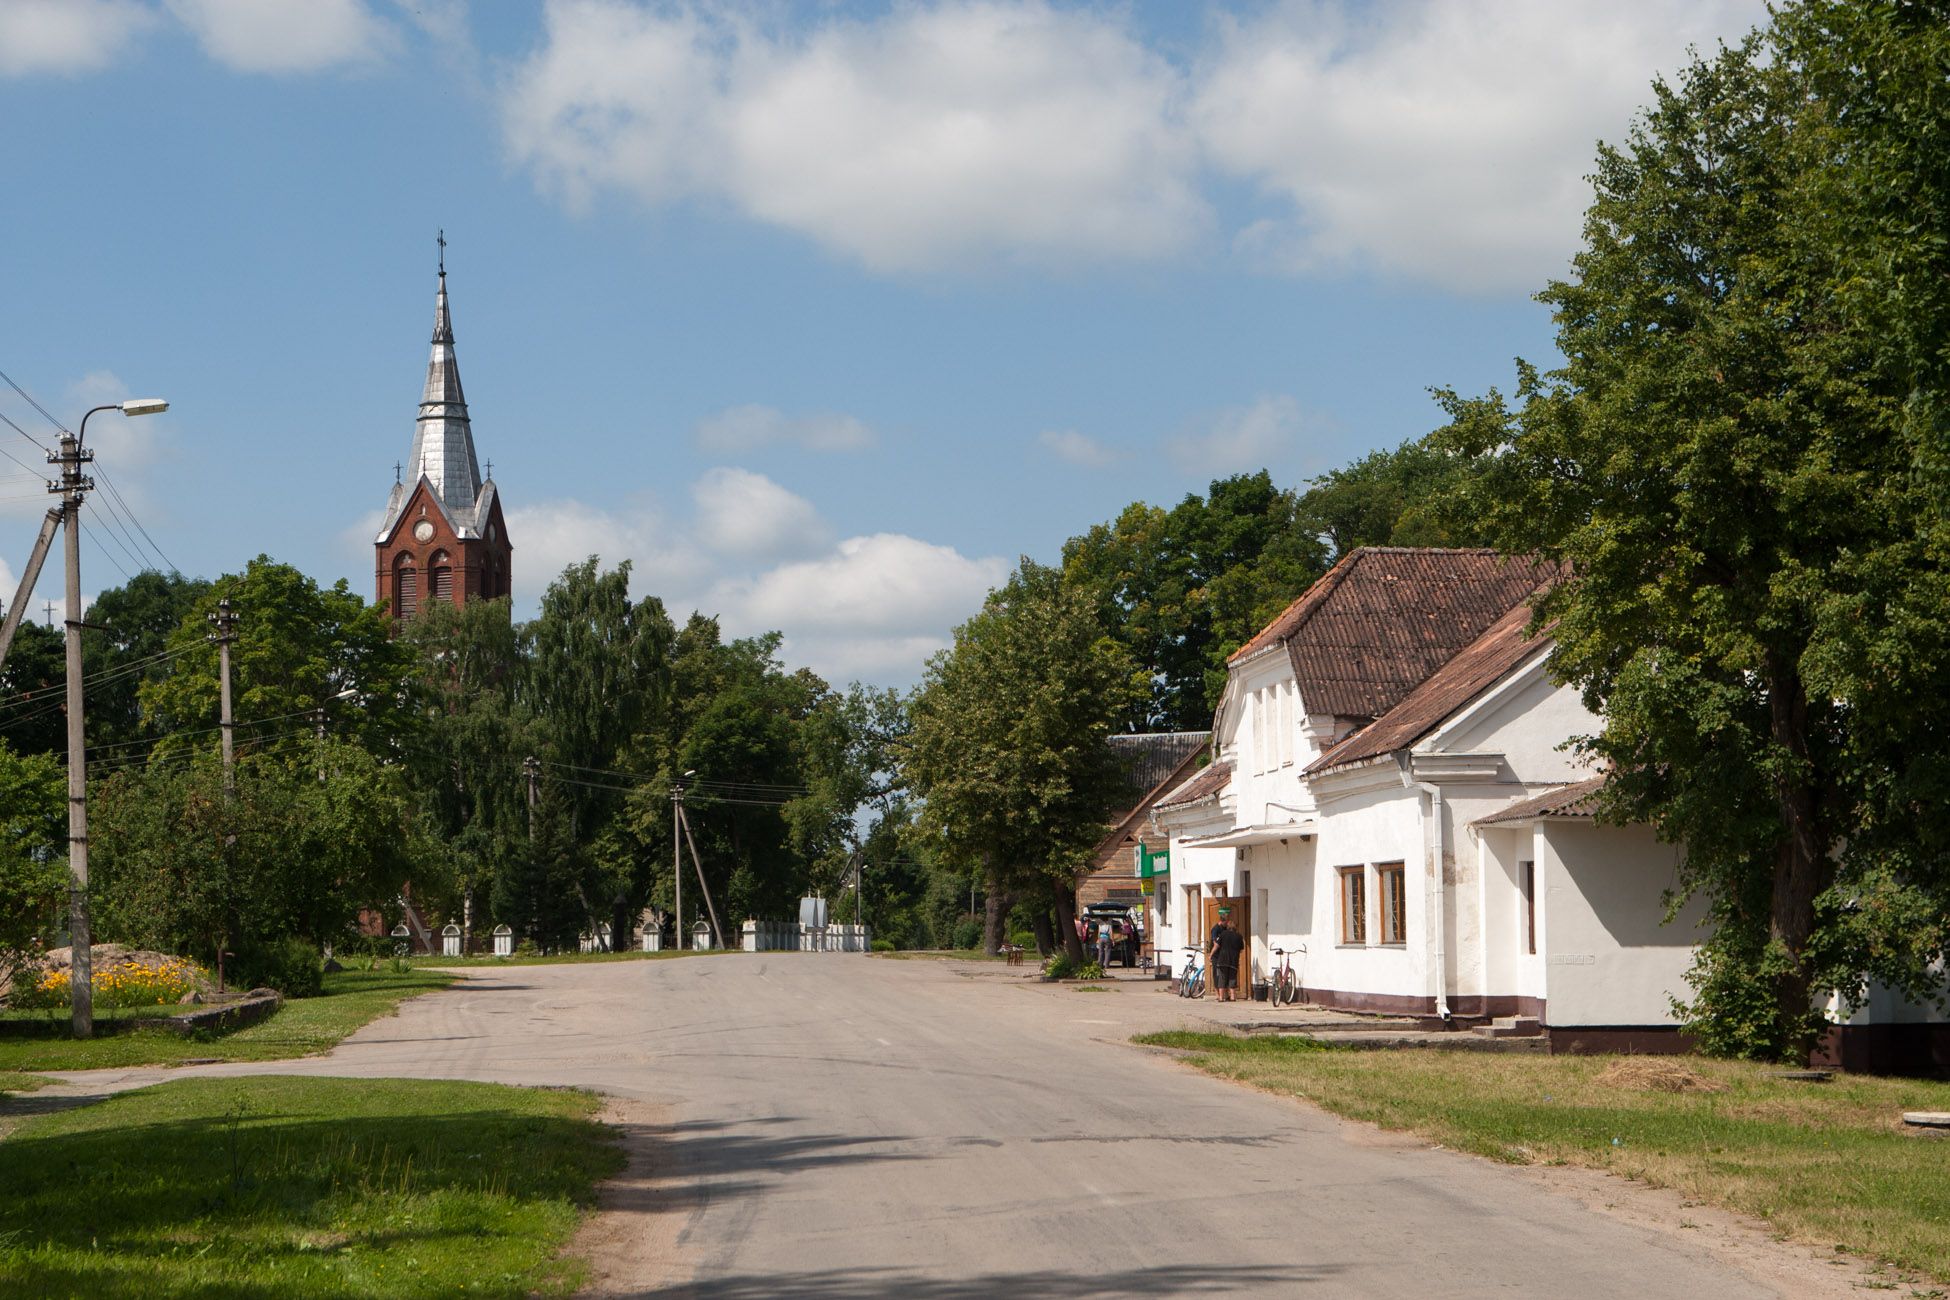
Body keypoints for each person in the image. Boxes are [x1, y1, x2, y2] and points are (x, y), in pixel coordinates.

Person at [1208, 908, 1245, 1002]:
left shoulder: (1223, 934)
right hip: (1233, 960)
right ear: (1235, 928)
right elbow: (1241, 949)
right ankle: (1232, 997)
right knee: (1232, 978)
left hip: (1223, 959)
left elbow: (1216, 945)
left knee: (1222, 978)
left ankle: (1221, 997)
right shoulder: (1239, 936)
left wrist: (1211, 954)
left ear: (1228, 927)